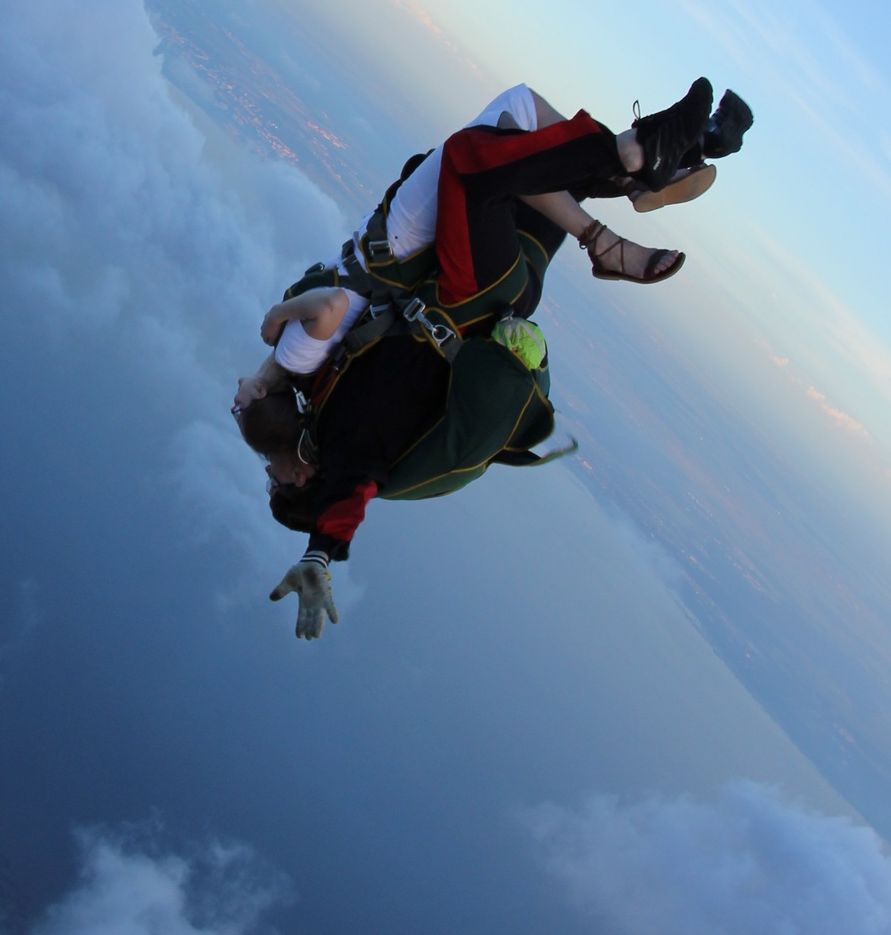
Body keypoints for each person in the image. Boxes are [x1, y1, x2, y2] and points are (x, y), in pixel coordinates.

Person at [239, 77, 741, 639]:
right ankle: (630, 178)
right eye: (275, 484)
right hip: (468, 293)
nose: (269, 474)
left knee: (523, 140)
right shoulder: (346, 451)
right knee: (471, 162)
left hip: (496, 294)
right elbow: (348, 496)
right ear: (300, 481)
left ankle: (684, 152)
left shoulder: (323, 412)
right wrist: (320, 553)